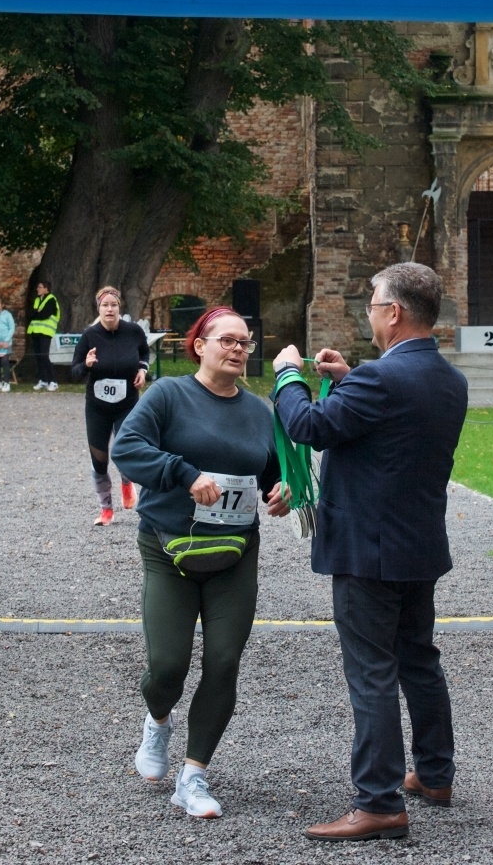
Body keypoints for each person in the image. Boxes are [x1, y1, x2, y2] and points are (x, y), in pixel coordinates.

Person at [272, 263, 468, 843]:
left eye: (374, 302)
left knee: (372, 674)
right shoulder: (448, 379)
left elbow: (309, 426)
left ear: (394, 313)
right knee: (419, 663)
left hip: (367, 553)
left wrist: (288, 377)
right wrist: (352, 375)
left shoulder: (379, 383)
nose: (369, 311)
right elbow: (388, 418)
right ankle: (435, 775)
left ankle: (379, 802)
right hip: (419, 547)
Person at [112, 306, 290, 820]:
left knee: (224, 661)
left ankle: (193, 776)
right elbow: (127, 447)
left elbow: (276, 475)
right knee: (168, 665)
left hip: (235, 553)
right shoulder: (169, 395)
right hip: (169, 549)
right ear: (200, 345)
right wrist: (184, 474)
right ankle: (157, 719)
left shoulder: (260, 411)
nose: (238, 349)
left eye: (245, 342)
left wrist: (282, 492)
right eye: (227, 340)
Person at [70, 286, 149, 526]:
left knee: (125, 449)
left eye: (114, 305)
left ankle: (127, 482)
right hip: (97, 407)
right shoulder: (89, 337)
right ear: (99, 309)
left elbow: (144, 352)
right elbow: (74, 371)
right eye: (105, 305)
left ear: (119, 308)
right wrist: (86, 364)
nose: (110, 309)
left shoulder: (133, 332)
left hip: (127, 403)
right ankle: (106, 509)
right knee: (99, 459)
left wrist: (143, 370)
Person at [27, 280, 60, 391]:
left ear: (46, 289)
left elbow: (44, 315)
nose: (38, 289)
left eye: (40, 287)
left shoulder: (51, 299)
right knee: (39, 356)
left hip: (46, 332)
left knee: (45, 356)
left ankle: (53, 381)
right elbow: (30, 314)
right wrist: (38, 311)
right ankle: (43, 380)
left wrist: (37, 312)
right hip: (35, 331)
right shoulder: (37, 300)